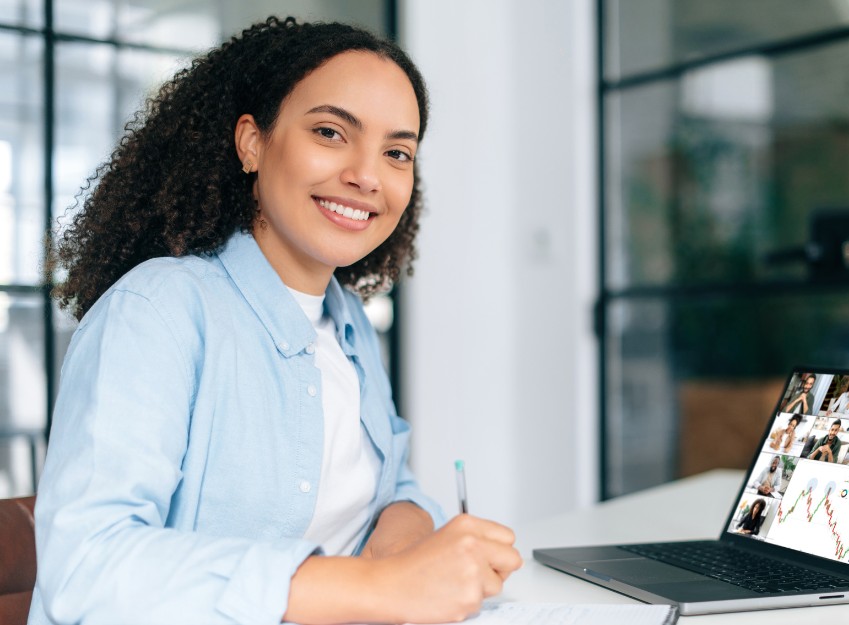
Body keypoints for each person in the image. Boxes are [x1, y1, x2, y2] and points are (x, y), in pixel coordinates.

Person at [29, 18, 522, 625]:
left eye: (397, 152)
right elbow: (86, 567)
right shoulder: (156, 311)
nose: (368, 176)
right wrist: (377, 588)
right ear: (252, 143)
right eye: (330, 132)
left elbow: (395, 489)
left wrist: (398, 554)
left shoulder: (347, 323)